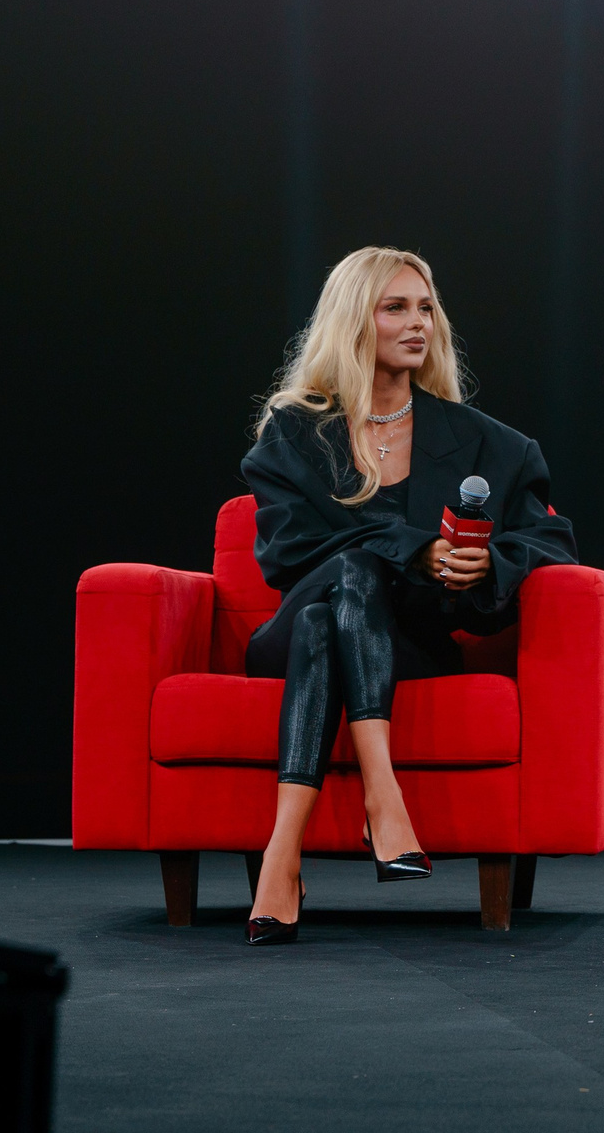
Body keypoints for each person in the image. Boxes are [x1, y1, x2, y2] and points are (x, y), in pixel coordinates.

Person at [239, 246, 575, 947]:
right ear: (355, 319)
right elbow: (287, 555)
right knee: (348, 575)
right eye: (396, 306)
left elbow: (553, 544)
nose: (418, 322)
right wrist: (413, 547)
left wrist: (484, 568)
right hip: (285, 635)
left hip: (403, 646)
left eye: (426, 307)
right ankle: (383, 798)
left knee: (334, 613)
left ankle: (282, 856)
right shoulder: (294, 435)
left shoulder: (489, 445)